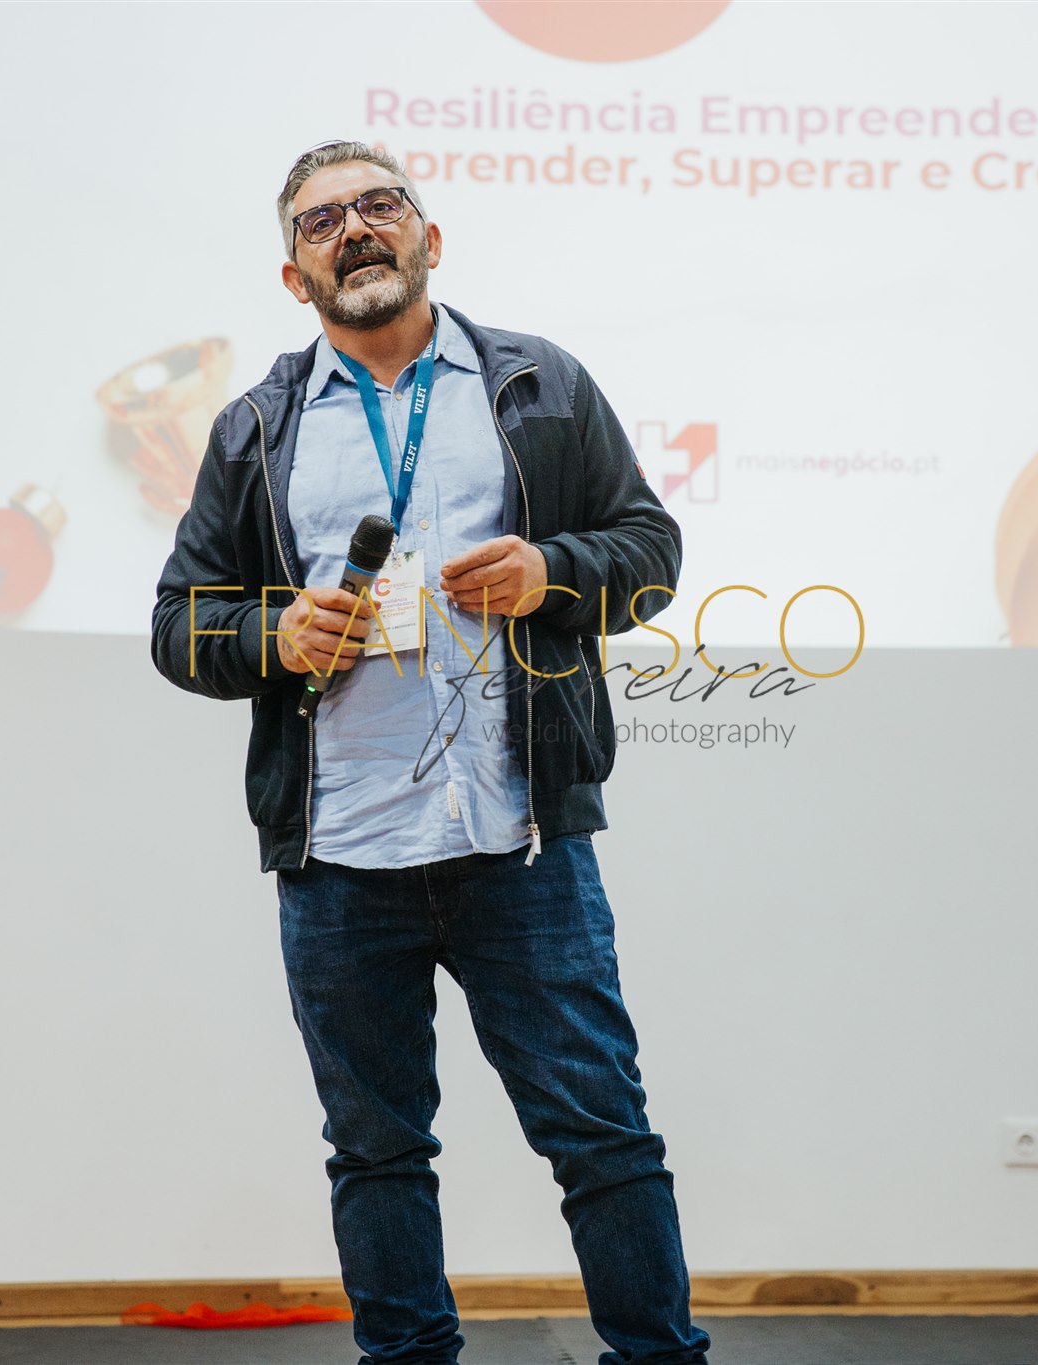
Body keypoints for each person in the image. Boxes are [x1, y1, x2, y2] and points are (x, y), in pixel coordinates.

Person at [151, 141, 709, 1365]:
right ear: (293, 277)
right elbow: (179, 622)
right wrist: (272, 635)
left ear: (428, 239)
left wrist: (551, 570)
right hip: (340, 853)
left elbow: (650, 552)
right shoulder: (256, 427)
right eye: (319, 222)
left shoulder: (538, 387)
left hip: (518, 840)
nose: (353, 229)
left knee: (603, 1137)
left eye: (378, 205)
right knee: (376, 1154)